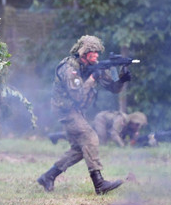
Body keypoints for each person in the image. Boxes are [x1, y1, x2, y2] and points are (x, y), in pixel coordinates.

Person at [37, 35, 131, 195]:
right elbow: (77, 96)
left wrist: (121, 78)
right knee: (90, 138)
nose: (96, 55)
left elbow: (114, 88)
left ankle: (48, 176)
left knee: (80, 149)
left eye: (97, 52)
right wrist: (93, 77)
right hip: (66, 110)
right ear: (83, 53)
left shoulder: (94, 66)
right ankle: (99, 183)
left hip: (76, 110)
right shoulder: (69, 68)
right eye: (92, 52)